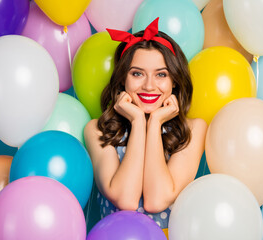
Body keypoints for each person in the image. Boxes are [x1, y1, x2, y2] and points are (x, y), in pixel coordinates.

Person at [84, 18, 207, 235]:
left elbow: (156, 200)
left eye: (161, 74)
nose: (149, 85)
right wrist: (138, 121)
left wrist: (156, 122)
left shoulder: (194, 129)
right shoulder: (97, 129)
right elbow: (126, 199)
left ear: (175, 81)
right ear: (123, 79)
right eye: (137, 73)